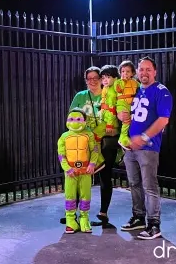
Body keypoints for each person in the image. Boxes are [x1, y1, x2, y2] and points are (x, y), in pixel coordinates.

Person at [119, 56, 173, 240]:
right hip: (130, 146)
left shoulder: (161, 91)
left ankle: (154, 225)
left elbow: (163, 119)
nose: (144, 72)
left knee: (149, 186)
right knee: (134, 184)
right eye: (141, 69)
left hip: (148, 147)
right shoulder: (136, 90)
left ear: (155, 71)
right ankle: (139, 216)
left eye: (148, 69)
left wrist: (143, 137)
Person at [59, 66, 119, 226]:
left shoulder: (110, 94)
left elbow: (114, 118)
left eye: (95, 78)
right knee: (79, 176)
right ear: (86, 80)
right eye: (89, 78)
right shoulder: (80, 96)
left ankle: (103, 213)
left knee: (105, 176)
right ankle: (74, 213)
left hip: (105, 143)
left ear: (101, 79)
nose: (92, 81)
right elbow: (72, 118)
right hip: (84, 144)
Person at [57, 108, 99, 233]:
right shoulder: (64, 137)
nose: (75, 122)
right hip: (70, 172)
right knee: (70, 196)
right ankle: (70, 220)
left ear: (84, 121)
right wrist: (67, 168)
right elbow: (61, 155)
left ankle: (84, 219)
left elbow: (95, 150)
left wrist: (92, 164)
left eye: (78, 119)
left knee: (85, 195)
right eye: (71, 119)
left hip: (85, 171)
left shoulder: (89, 135)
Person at [90, 64, 122, 227]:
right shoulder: (105, 91)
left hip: (108, 137)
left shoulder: (115, 91)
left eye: (107, 77)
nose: (104, 80)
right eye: (103, 77)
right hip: (100, 137)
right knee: (101, 175)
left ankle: (103, 212)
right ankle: (90, 212)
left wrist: (109, 126)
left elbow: (112, 112)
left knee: (105, 175)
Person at [114, 60, 139, 164]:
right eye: (123, 71)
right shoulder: (118, 82)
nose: (125, 73)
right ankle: (122, 137)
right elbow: (118, 89)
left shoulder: (136, 82)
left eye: (128, 71)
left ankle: (127, 140)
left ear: (133, 73)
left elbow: (141, 90)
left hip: (132, 104)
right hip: (122, 104)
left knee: (132, 121)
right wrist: (123, 81)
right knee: (126, 120)